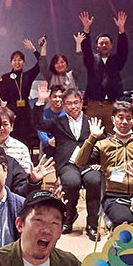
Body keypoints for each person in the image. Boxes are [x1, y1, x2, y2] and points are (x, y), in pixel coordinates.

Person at [75, 101, 133, 228]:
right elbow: (80, 162)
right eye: (120, 117)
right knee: (127, 222)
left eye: (128, 118)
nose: (124, 122)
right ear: (113, 119)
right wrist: (92, 137)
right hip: (115, 198)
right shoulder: (104, 144)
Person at [44, 89, 104, 238]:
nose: (73, 106)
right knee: (71, 182)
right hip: (68, 164)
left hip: (89, 165)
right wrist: (41, 103)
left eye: (76, 102)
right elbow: (37, 124)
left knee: (94, 180)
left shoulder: (92, 121)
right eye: (69, 103)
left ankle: (92, 224)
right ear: (63, 105)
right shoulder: (58, 122)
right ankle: (69, 217)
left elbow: (103, 144)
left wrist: (99, 163)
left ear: (81, 103)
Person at [77, 10, 129, 128]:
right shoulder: (91, 60)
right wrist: (86, 29)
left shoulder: (116, 61)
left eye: (107, 43)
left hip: (113, 105)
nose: (104, 45)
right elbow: (85, 49)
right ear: (97, 46)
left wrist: (121, 30)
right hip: (94, 105)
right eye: (101, 43)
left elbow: (124, 50)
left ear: (111, 46)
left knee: (113, 137)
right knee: (91, 136)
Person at [0, 39, 45, 147]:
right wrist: (0, 84)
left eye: (20, 60)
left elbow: (41, 64)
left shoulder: (28, 75)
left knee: (27, 139)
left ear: (24, 62)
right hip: (11, 111)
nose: (17, 63)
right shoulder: (5, 77)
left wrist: (33, 49)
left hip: (25, 112)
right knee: (11, 138)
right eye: (14, 60)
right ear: (11, 62)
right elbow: (4, 97)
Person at [0, 106, 35, 173]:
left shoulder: (21, 148)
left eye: (5, 124)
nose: (1, 128)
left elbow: (26, 173)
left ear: (12, 126)